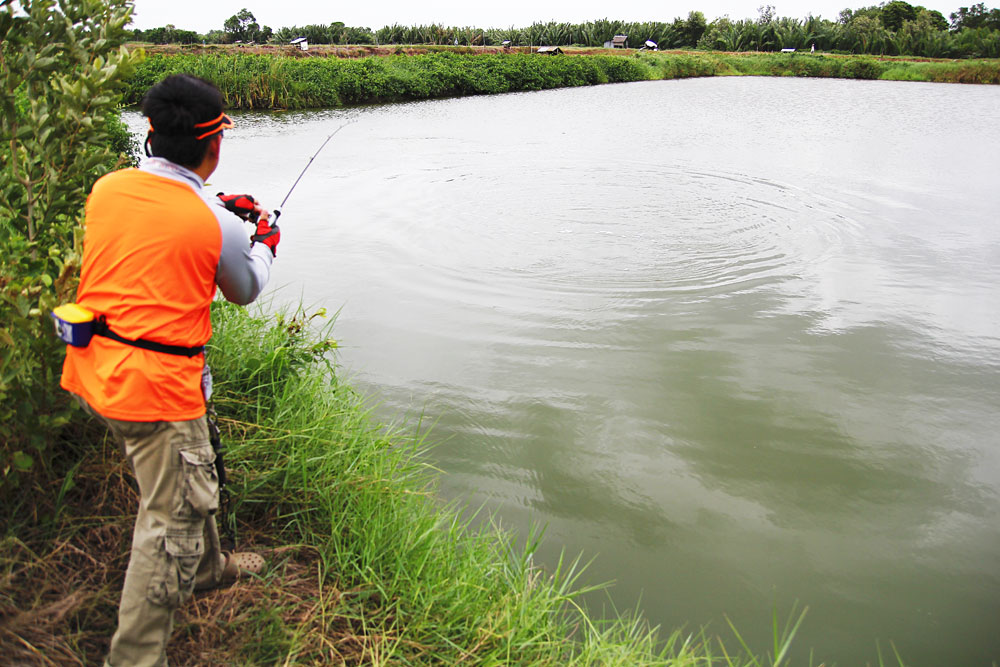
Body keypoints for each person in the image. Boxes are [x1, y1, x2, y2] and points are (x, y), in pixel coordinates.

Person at [59, 73, 281, 667]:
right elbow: (245, 288)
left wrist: (215, 209)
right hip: (156, 395)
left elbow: (160, 227)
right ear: (215, 146)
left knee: (182, 485)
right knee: (170, 523)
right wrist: (264, 238)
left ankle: (209, 570)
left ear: (151, 135)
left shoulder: (107, 189)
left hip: (93, 371)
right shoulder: (218, 225)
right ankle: (134, 657)